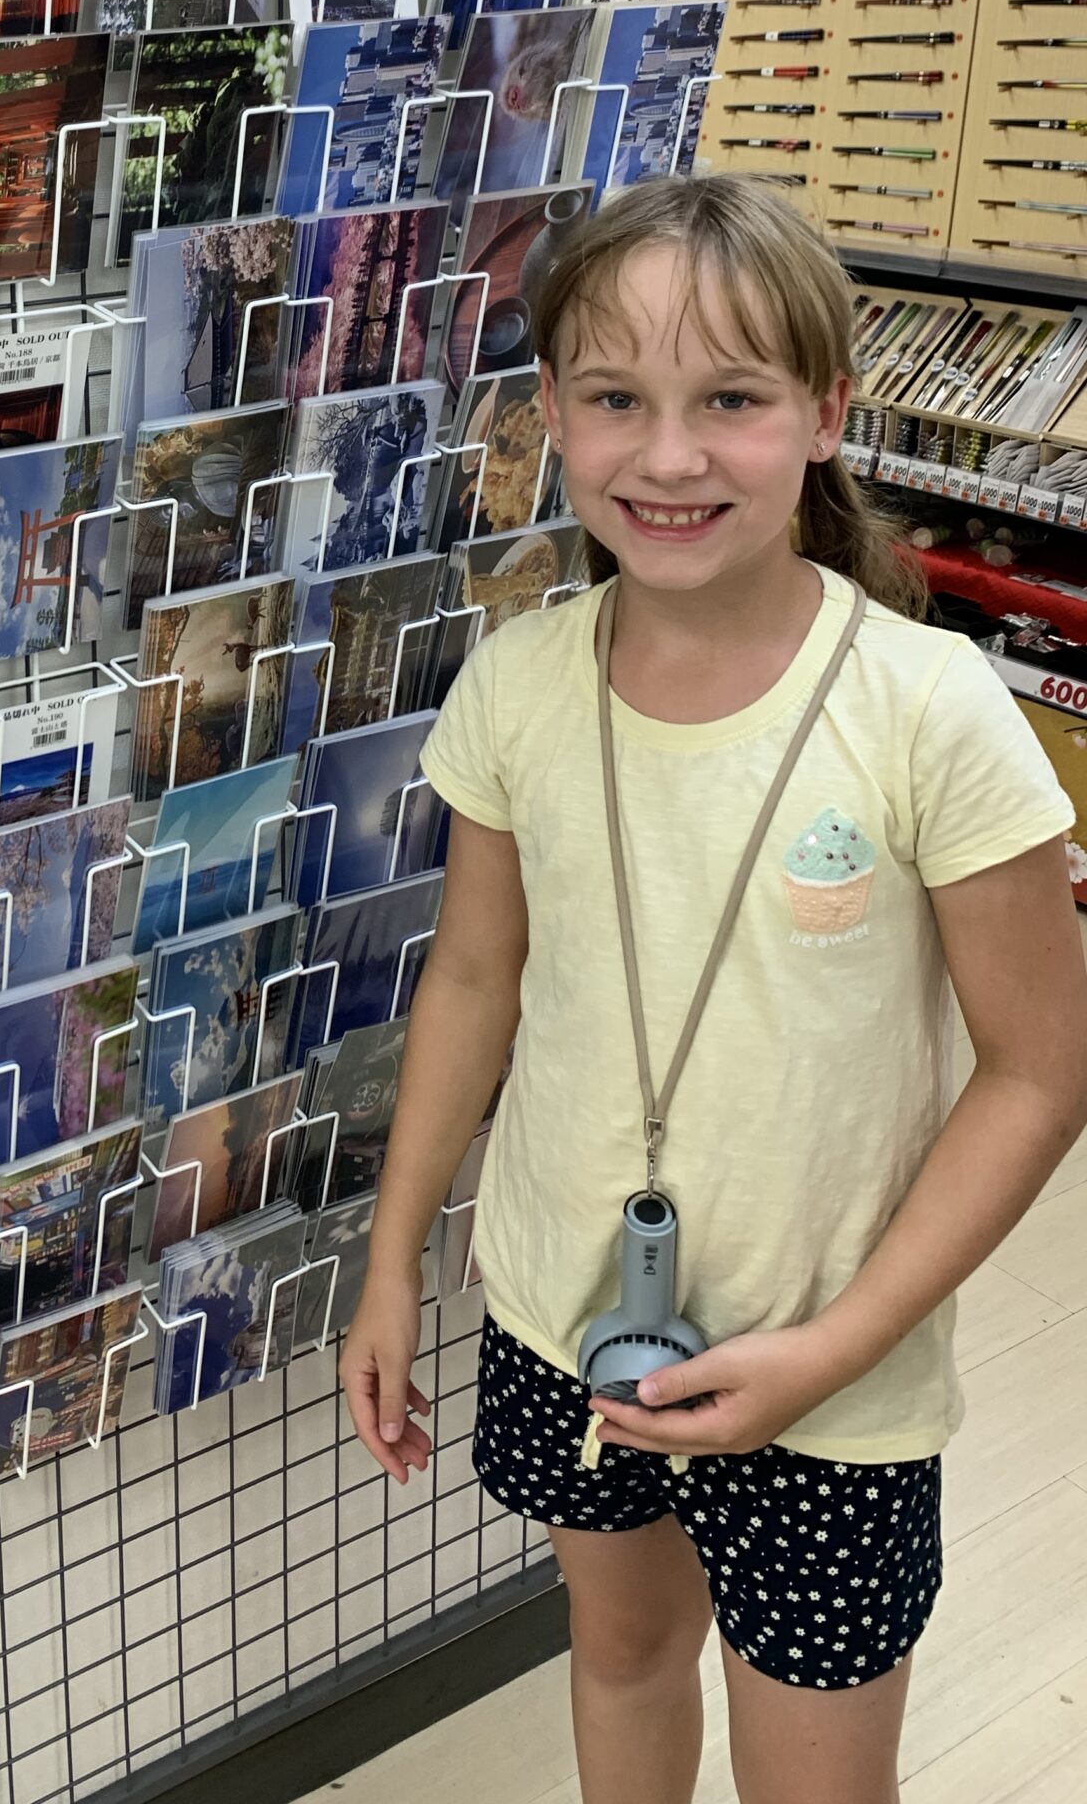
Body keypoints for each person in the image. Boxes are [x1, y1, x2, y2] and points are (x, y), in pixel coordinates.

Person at [341, 176, 1087, 1804]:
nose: (668, 457)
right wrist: (393, 1262)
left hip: (836, 1372)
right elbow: (474, 976)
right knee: (618, 1657)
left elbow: (1041, 1070)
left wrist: (842, 1345)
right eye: (616, 398)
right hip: (562, 1317)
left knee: (814, 1763)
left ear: (825, 415)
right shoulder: (519, 684)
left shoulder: (929, 710)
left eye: (732, 400)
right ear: (552, 415)